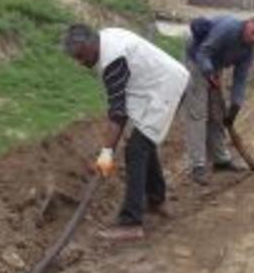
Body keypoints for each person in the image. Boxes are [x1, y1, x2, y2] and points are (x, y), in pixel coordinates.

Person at [64, 24, 189, 241]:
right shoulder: (106, 39)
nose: (82, 63)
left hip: (163, 89)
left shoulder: (112, 59)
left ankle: (132, 222)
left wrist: (106, 154)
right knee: (143, 145)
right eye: (77, 59)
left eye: (82, 56)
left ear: (90, 43)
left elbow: (118, 113)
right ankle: (157, 200)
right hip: (154, 88)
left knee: (136, 150)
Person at [183, 14, 254, 186]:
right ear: (250, 22)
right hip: (197, 59)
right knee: (198, 114)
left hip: (214, 65)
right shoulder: (229, 28)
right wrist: (209, 73)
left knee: (217, 114)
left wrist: (235, 108)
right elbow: (203, 52)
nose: (253, 38)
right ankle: (197, 166)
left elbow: (240, 79)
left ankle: (220, 160)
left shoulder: (249, 50)